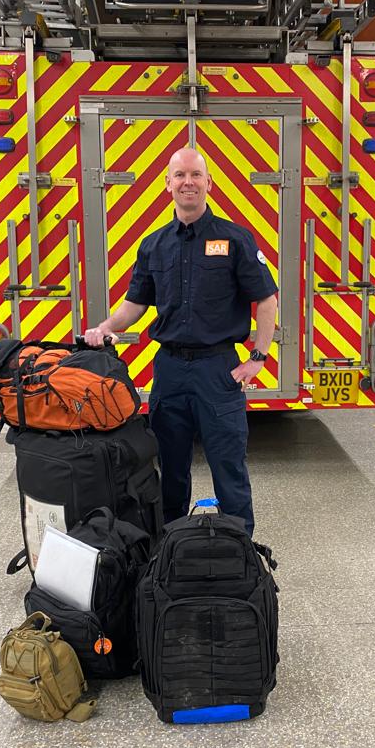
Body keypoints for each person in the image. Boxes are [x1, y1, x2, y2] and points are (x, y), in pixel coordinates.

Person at [84, 147, 278, 536]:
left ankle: (239, 549)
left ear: (209, 183)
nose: (187, 182)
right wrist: (105, 327)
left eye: (195, 175)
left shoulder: (235, 239)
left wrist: (257, 357)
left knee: (229, 468)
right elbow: (135, 305)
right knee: (170, 468)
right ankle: (169, 549)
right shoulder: (154, 245)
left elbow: (267, 299)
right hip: (170, 371)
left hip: (217, 370)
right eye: (179, 175)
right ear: (167, 185)